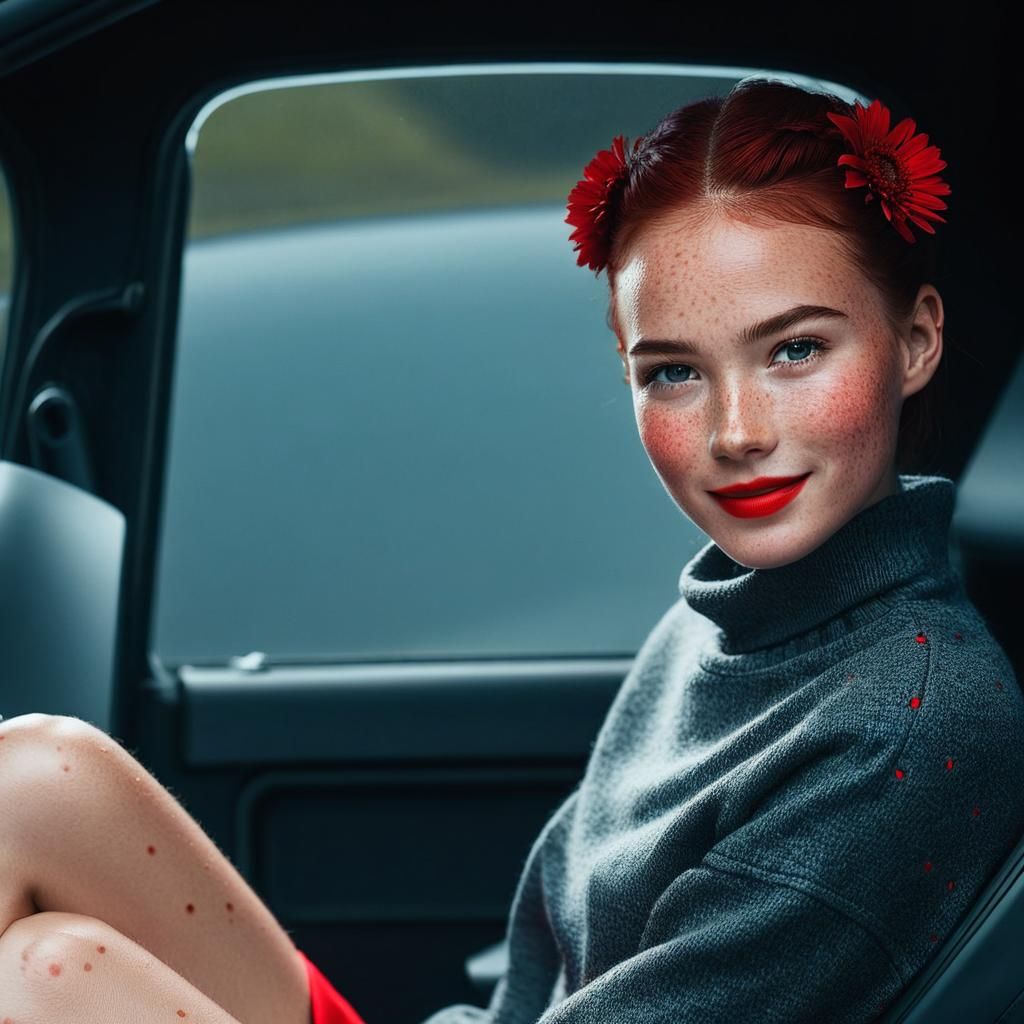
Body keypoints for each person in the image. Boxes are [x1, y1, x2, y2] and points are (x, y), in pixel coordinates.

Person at [0, 77, 1018, 1024]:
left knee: (42, 980)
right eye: (672, 373)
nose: (737, 430)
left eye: (795, 349)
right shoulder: (713, 626)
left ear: (916, 339)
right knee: (41, 775)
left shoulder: (907, 722)